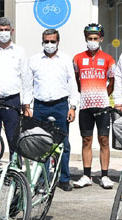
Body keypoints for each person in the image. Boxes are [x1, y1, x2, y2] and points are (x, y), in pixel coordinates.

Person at [0, 17, 33, 170]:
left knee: (13, 138)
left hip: (12, 100)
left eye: (6, 30)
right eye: (1, 30)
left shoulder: (19, 52)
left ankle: (14, 169)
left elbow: (26, 79)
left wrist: (27, 103)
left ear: (12, 31)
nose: (4, 33)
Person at [29, 29, 79, 191]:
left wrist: (73, 107)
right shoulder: (34, 60)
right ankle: (41, 178)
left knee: (62, 144)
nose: (49, 44)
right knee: (40, 144)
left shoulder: (65, 60)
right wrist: (27, 106)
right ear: (42, 42)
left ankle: (63, 178)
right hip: (40, 106)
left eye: (52, 41)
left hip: (60, 106)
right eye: (46, 41)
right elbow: (29, 85)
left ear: (58, 42)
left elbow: (72, 84)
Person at [72, 23, 116, 189]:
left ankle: (105, 176)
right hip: (85, 106)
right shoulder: (77, 58)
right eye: (89, 38)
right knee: (86, 140)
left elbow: (112, 82)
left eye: (95, 38)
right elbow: (77, 80)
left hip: (102, 105)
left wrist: (103, 95)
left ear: (101, 39)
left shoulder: (109, 59)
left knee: (104, 140)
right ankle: (86, 175)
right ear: (86, 39)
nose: (92, 41)